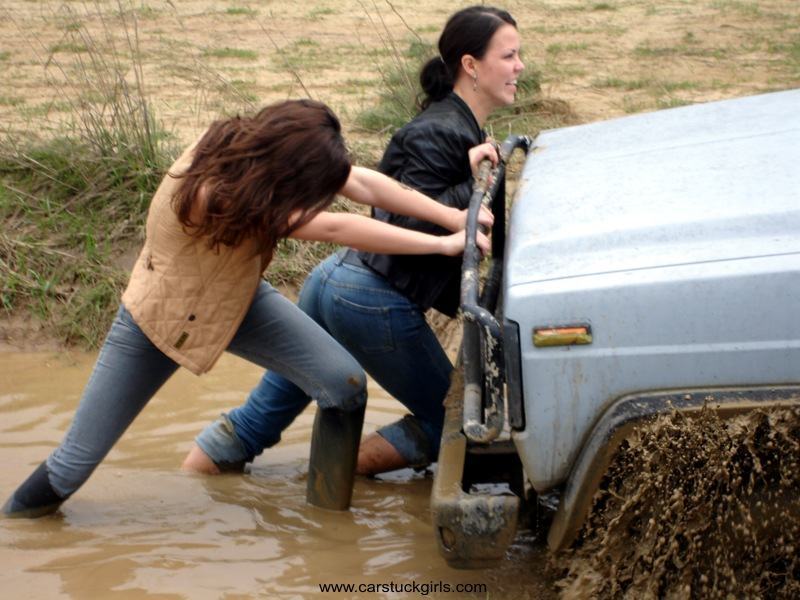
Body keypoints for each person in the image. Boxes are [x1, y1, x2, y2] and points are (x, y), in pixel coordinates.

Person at [2, 98, 492, 518]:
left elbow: (362, 184)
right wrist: (444, 245)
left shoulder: (262, 151)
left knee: (343, 386)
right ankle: (17, 530)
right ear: (291, 168)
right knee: (73, 463)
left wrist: (455, 215)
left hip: (238, 294)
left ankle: (325, 520)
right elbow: (336, 227)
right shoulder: (220, 192)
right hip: (166, 316)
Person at [181, 5, 524, 477]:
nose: (519, 67)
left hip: (339, 281)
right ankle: (320, 482)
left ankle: (199, 479)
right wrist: (472, 188)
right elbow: (399, 222)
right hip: (368, 297)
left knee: (260, 419)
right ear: (471, 65)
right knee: (454, 424)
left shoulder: (458, 126)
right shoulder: (439, 131)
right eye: (509, 56)